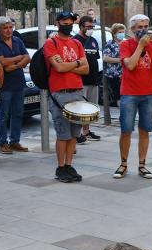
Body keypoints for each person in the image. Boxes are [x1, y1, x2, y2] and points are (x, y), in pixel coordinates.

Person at [114, 15, 152, 180]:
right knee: (126, 130)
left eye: (145, 26)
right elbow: (130, 65)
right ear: (132, 29)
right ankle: (123, 164)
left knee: (145, 130)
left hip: (150, 93)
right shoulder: (125, 44)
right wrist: (141, 46)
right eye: (139, 27)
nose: (143, 29)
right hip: (129, 93)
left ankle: (142, 165)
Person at [44, 11, 89, 183]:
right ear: (57, 23)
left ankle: (69, 165)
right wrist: (77, 63)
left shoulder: (77, 43)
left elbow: (86, 69)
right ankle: (60, 167)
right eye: (64, 21)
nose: (68, 24)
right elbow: (58, 68)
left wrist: (70, 65)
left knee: (74, 134)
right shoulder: (51, 43)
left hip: (77, 92)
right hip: (59, 94)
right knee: (63, 134)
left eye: (70, 21)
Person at [0, 17, 31, 153]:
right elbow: (1, 62)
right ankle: (3, 143)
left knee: (18, 113)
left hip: (19, 83)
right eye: (5, 28)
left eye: (10, 27)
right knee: (3, 115)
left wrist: (14, 65)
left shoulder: (17, 40)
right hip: (5, 85)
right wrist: (19, 59)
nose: (8, 30)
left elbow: (27, 57)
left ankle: (15, 141)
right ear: (0, 29)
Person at [74, 15, 102, 143]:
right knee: (80, 108)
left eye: (92, 27)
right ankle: (77, 133)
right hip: (81, 81)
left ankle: (86, 131)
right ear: (81, 27)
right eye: (88, 27)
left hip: (93, 79)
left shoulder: (93, 40)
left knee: (90, 108)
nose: (91, 29)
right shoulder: (75, 41)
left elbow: (94, 58)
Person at [102, 24, 125, 107]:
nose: (122, 34)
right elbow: (105, 58)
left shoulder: (125, 43)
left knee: (126, 95)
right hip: (115, 75)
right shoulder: (110, 44)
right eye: (120, 32)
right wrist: (120, 60)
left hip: (125, 74)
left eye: (123, 32)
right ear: (114, 34)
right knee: (118, 96)